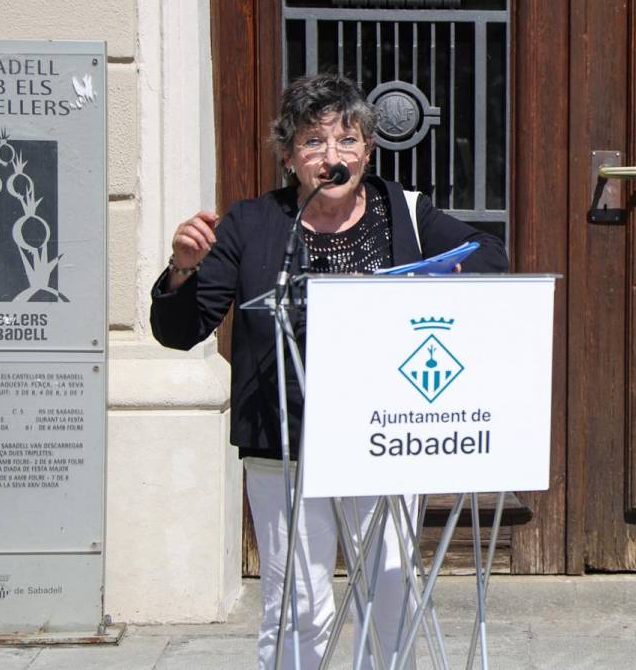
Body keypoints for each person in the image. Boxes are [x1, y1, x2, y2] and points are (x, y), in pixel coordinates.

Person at [150, 73, 508, 669]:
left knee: (389, 599)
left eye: (347, 140)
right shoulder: (251, 224)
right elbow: (180, 329)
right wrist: (182, 270)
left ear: (367, 150)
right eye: (314, 142)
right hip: (285, 441)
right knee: (299, 608)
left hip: (387, 435)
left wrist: (425, 290)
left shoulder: (407, 212)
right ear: (290, 157)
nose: (332, 156)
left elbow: (487, 258)